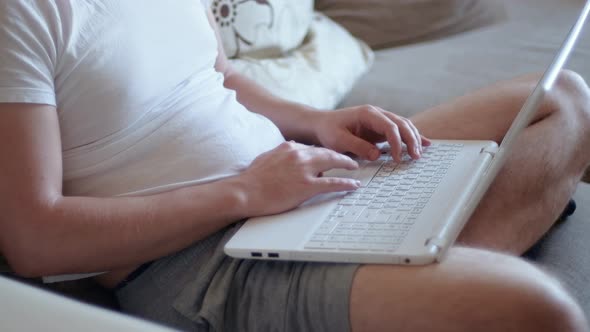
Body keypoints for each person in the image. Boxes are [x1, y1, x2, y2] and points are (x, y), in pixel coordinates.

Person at [0, 1, 589, 331]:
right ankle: (426, 278)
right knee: (536, 312)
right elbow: (35, 238)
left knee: (564, 100)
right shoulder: (19, 16)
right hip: (204, 261)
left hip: (302, 178)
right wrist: (244, 193)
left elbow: (222, 76)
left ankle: (416, 264)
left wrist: (317, 121)